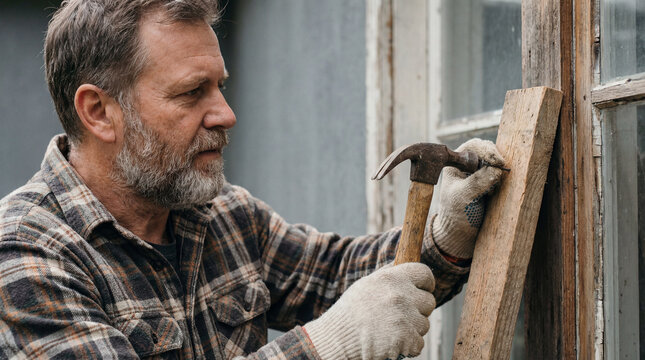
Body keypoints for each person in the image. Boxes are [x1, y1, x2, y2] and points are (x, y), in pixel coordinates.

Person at [0, 0, 505, 359]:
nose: (225, 114)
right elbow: (348, 326)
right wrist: (329, 345)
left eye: (220, 87)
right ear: (98, 112)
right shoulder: (26, 257)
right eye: (192, 92)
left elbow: (338, 278)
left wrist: (448, 233)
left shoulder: (222, 216)